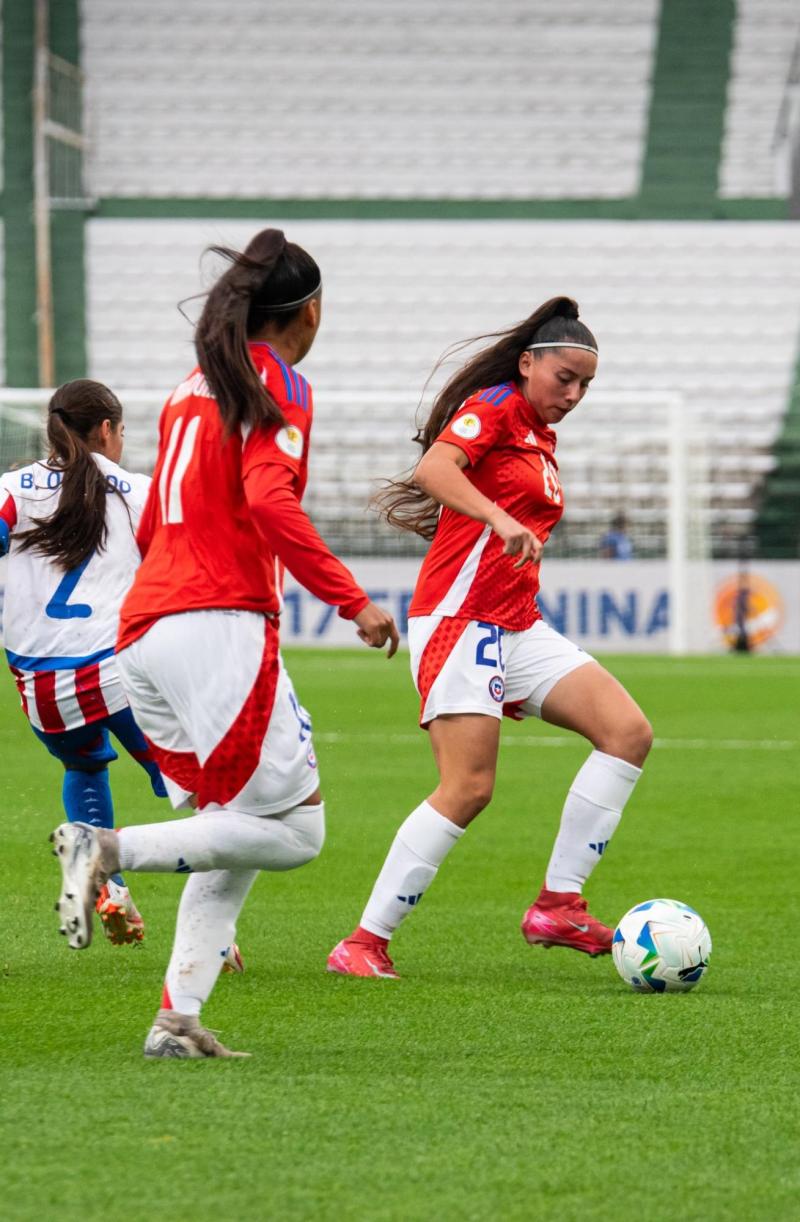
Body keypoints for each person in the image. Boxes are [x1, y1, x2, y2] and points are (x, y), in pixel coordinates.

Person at [49, 228, 399, 1058]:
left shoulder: (191, 385)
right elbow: (271, 504)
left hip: (144, 633)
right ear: (309, 311)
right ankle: (105, 847)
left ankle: (177, 1021)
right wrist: (354, 603)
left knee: (233, 824)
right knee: (297, 832)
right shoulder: (277, 382)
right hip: (218, 624)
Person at [327, 297, 652, 980]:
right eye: (565, 377)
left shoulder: (540, 435)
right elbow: (436, 470)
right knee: (468, 787)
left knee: (628, 732)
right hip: (459, 619)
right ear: (529, 363)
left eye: (586, 385)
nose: (574, 394)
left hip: (516, 624)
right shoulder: (498, 405)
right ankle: (363, 941)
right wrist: (499, 518)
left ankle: (559, 903)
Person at [0, 380, 167, 945]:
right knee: (193, 784)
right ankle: (211, 929)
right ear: (105, 431)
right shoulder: (136, 491)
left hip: (40, 685)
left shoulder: (14, 489)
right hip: (116, 672)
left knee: (86, 767)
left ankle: (110, 887)